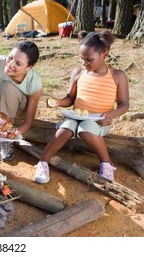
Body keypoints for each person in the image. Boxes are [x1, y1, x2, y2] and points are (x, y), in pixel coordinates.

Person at [36, 30, 129, 184]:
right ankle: (43, 162)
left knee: (85, 128)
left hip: (99, 121)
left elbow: (124, 105)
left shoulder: (117, 76)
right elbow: (70, 99)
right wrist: (58, 102)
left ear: (105, 54)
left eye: (89, 60)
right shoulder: (78, 73)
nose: (84, 63)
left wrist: (112, 114)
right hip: (75, 116)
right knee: (66, 127)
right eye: (81, 59)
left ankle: (106, 163)